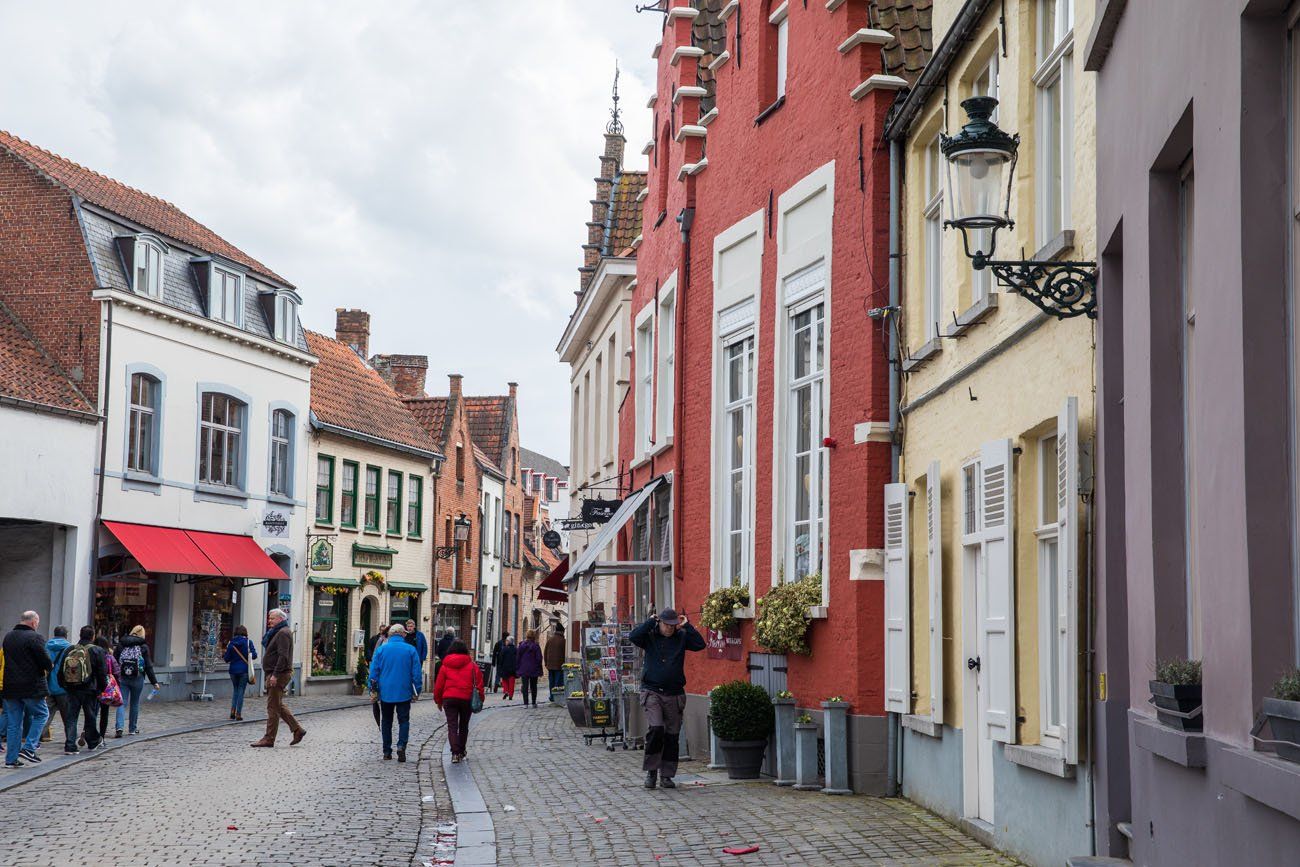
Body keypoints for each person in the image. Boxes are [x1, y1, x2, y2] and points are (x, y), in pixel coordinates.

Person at [629, 608, 706, 790]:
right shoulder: (650, 636)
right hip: (652, 691)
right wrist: (650, 622)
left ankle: (667, 775)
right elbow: (633, 636)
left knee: (672, 735)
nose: (669, 629)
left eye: (673, 625)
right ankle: (651, 772)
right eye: (666, 625)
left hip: (674, 693)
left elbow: (700, 644)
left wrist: (688, 625)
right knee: (656, 729)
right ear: (660, 623)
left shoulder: (681, 636)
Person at [2, 611, 52, 768]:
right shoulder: (35, 637)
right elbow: (45, 661)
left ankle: (11, 759)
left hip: (11, 686)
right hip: (31, 686)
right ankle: (29, 747)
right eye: (37, 622)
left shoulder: (8, 637)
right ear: (33, 622)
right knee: (42, 714)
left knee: (13, 723)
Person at [251, 608, 306, 748]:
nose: (270, 621)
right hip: (276, 673)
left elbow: (283, 656)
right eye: (269, 618)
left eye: (272, 618)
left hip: (279, 674)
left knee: (272, 707)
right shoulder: (279, 632)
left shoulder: (283, 633)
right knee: (278, 705)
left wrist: (275, 675)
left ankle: (269, 738)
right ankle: (298, 729)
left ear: (281, 619)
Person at [369, 623, 422, 762]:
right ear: (402, 634)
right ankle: (401, 746)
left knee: (386, 721)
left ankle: (387, 751)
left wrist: (372, 689)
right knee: (404, 720)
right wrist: (417, 690)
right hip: (404, 691)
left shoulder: (381, 650)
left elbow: (374, 672)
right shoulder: (411, 650)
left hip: (385, 692)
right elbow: (416, 673)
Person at [433, 639, 483, 764]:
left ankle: (455, 753)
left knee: (452, 726)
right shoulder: (473, 666)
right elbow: (479, 685)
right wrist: (480, 699)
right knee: (464, 725)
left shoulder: (445, 665)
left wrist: (438, 700)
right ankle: (461, 750)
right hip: (466, 699)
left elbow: (439, 685)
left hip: (449, 699)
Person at [61, 626, 107, 753]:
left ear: (80, 635)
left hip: (72, 688)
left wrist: (64, 685)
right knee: (90, 716)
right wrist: (102, 689)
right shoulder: (97, 650)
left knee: (71, 717)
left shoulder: (70, 649)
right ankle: (92, 742)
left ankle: (70, 745)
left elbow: (61, 670)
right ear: (93, 636)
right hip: (90, 689)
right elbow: (102, 673)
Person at [115, 625, 160, 736]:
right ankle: (132, 729)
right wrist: (154, 682)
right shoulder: (143, 646)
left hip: (123, 677)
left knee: (122, 703)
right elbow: (148, 666)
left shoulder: (121, 644)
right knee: (134, 704)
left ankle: (119, 728)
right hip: (138, 677)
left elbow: (114, 660)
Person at [44, 626, 76, 754]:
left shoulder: (47, 646)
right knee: (68, 716)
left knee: (45, 715)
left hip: (49, 686)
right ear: (66, 635)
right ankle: (70, 741)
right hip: (64, 687)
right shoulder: (70, 648)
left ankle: (35, 740)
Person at [222, 625, 257, 721]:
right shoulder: (248, 642)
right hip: (244, 670)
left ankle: (232, 712)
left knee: (235, 690)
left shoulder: (231, 643)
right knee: (241, 691)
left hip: (233, 671)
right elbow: (254, 656)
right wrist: (249, 654)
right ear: (245, 632)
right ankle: (238, 714)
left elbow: (226, 659)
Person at [93, 636, 124, 744]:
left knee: (92, 712)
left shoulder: (91, 654)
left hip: (93, 686)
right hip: (107, 687)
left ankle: (89, 733)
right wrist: (117, 685)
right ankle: (101, 736)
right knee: (104, 713)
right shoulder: (109, 657)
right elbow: (117, 672)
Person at [515, 629, 543, 707]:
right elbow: (539, 658)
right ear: (534, 636)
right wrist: (539, 669)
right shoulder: (536, 646)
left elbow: (518, 658)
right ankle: (533, 702)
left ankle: (525, 703)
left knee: (525, 686)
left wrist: (518, 668)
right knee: (533, 686)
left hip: (524, 669)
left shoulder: (521, 645)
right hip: (534, 669)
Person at [543, 624, 567, 703]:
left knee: (551, 682)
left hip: (550, 665)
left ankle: (552, 696)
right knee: (558, 682)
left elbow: (545, 652)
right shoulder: (563, 641)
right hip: (559, 665)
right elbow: (565, 654)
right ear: (562, 631)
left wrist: (546, 663)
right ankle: (556, 697)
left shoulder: (550, 639)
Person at [497, 635, 518, 701]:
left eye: (506, 641)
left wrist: (500, 667)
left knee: (504, 680)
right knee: (511, 682)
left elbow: (501, 659)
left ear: (509, 642)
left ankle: (506, 691)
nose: (505, 642)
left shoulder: (504, 649)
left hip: (505, 668)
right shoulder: (516, 649)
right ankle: (511, 695)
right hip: (513, 668)